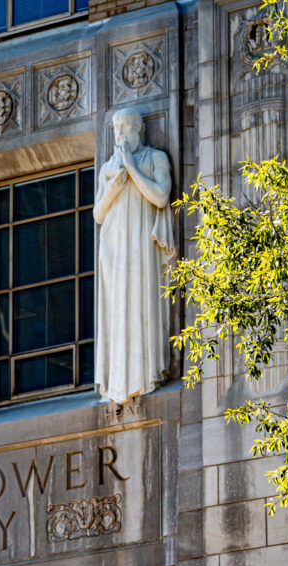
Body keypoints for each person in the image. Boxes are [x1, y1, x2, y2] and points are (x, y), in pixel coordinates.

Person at [93, 108, 175, 404]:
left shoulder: (155, 158)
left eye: (124, 126)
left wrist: (132, 168)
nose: (119, 133)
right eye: (116, 127)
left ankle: (144, 374)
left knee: (141, 301)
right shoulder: (107, 168)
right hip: (114, 244)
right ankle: (116, 383)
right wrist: (114, 186)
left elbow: (161, 197)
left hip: (141, 245)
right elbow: (98, 213)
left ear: (138, 129)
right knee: (116, 306)